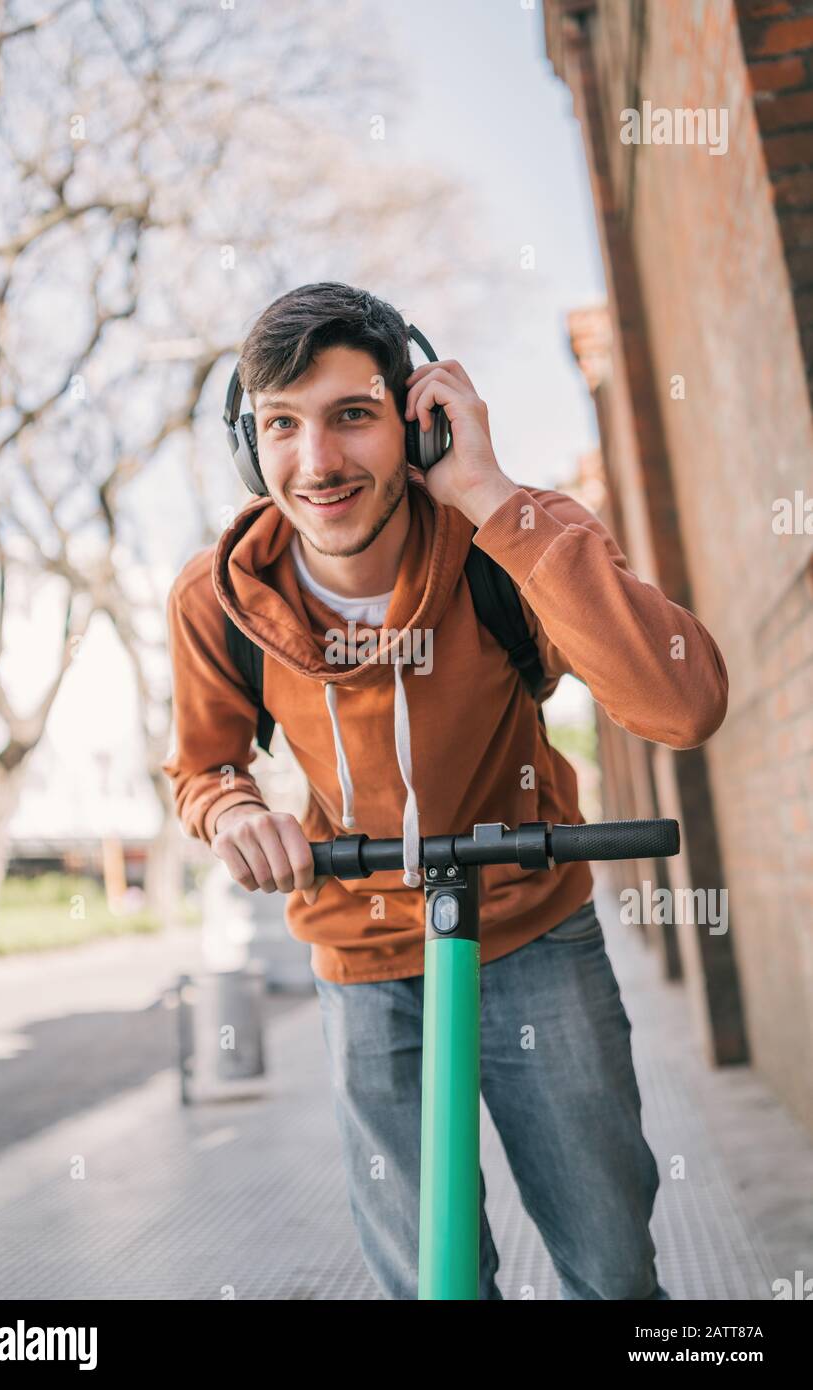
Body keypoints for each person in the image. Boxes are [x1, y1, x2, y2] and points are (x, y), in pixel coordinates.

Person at [162, 281, 729, 1300]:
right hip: (363, 954)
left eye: (353, 416)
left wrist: (494, 499)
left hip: (534, 931)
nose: (319, 461)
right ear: (252, 446)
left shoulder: (507, 543)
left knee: (611, 1265)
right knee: (431, 1278)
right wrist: (234, 811)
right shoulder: (222, 596)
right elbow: (205, 766)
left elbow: (682, 705)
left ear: (418, 422)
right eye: (283, 426)